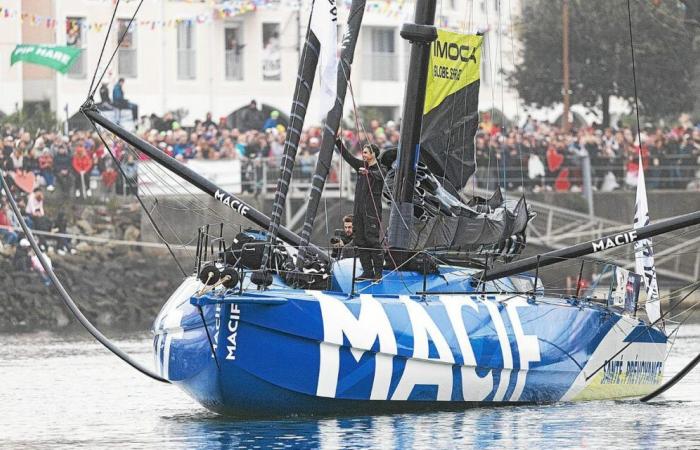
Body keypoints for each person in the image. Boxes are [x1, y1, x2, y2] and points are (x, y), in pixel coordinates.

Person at [336, 138, 384, 280]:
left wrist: (368, 173)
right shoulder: (361, 166)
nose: (363, 155)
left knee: (372, 241)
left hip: (371, 213)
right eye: (362, 152)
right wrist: (337, 141)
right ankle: (367, 272)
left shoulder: (380, 169)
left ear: (374, 154)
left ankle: (378, 273)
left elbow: (380, 175)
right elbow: (348, 157)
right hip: (359, 212)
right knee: (360, 240)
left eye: (366, 152)